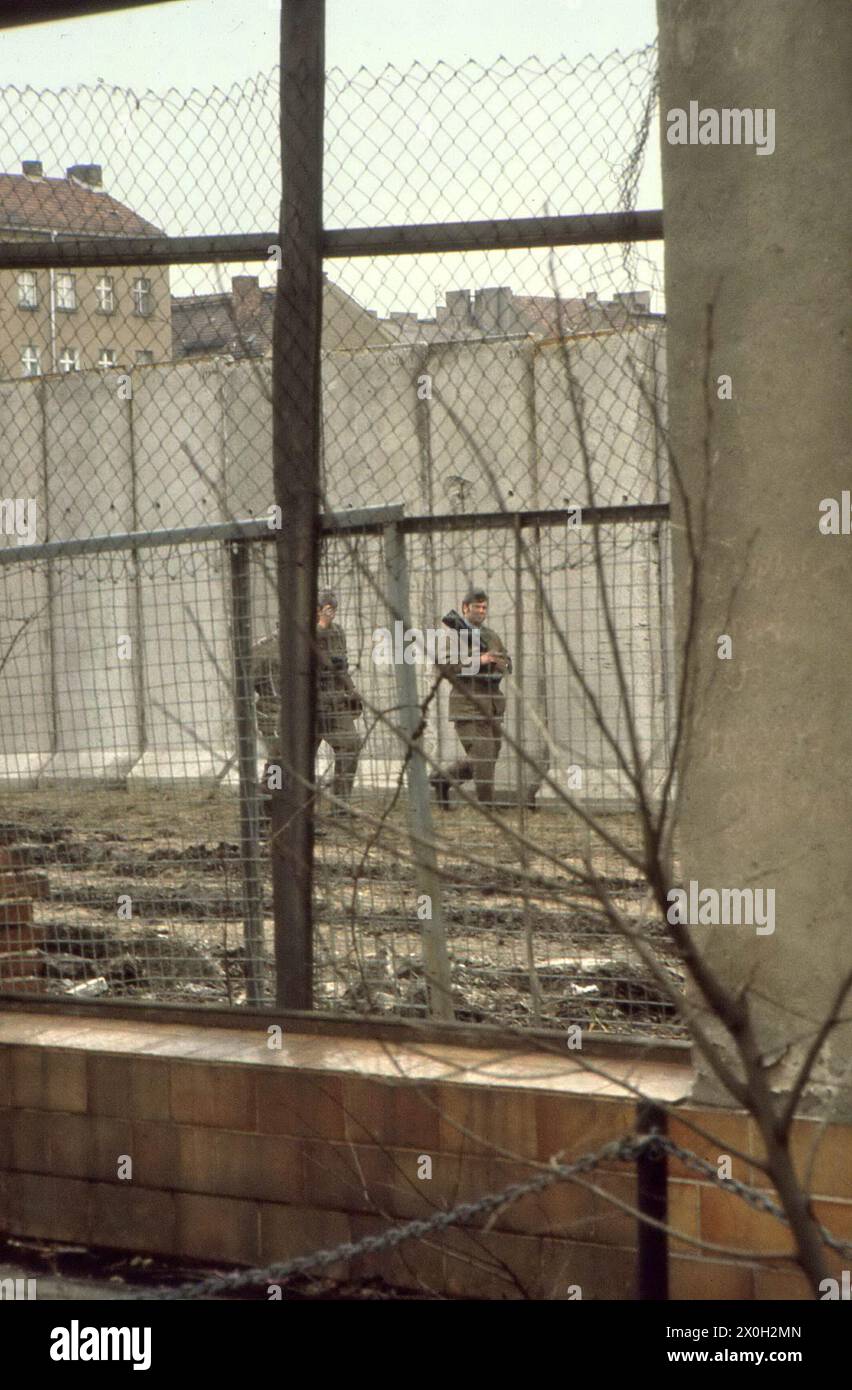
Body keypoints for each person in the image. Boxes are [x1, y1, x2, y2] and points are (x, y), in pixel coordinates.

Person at [251, 589, 363, 822]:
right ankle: (268, 802)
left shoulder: (334, 634)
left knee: (350, 744)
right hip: (287, 714)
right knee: (281, 762)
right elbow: (247, 685)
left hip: (328, 705)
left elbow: (340, 666)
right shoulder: (269, 648)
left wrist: (350, 691)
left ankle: (338, 806)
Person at [430, 587, 512, 808]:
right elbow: (446, 666)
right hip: (468, 705)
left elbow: (506, 662)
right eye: (477, 607)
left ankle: (442, 780)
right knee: (483, 757)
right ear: (465, 608)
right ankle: (488, 808)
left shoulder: (491, 635)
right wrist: (480, 660)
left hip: (492, 705)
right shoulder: (453, 635)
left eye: (485, 607)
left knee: (489, 754)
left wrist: (502, 663)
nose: (482, 611)